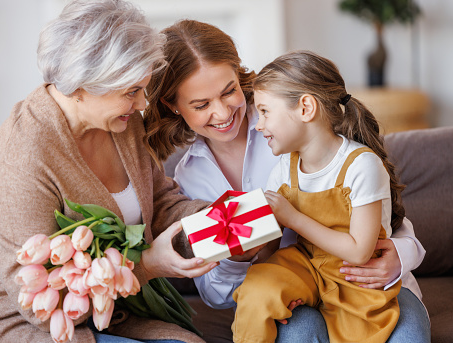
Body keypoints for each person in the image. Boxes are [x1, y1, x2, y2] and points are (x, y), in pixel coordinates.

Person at [143, 20, 430, 342]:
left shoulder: (295, 121)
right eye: (201, 104)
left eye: (229, 91)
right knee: (299, 331)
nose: (223, 113)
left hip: (364, 283)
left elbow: (382, 211)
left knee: (408, 331)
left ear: (240, 75)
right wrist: (242, 257)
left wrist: (401, 254)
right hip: (290, 288)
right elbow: (217, 295)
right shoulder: (188, 177)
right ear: (173, 105)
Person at [0, 2, 217, 343]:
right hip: (22, 327)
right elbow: (37, 303)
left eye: (142, 89)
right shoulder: (24, 154)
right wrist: (148, 265)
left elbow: (161, 204)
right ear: (80, 85)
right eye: (131, 92)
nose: (142, 105)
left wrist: (221, 224)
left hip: (110, 316)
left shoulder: (122, 124)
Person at [232, 50, 408, 342]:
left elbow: (359, 252)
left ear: (305, 108)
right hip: (307, 266)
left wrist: (292, 218)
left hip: (355, 276)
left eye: (264, 111)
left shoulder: (361, 165)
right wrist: (242, 244)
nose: (258, 124)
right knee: (258, 288)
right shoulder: (283, 171)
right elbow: (270, 253)